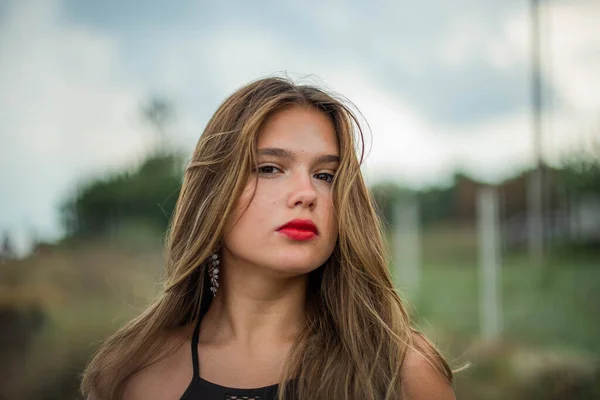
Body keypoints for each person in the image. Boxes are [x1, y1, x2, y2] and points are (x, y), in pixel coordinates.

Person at [81, 76, 456, 400]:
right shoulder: (136, 373)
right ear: (213, 193)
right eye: (270, 168)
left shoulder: (400, 373)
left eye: (325, 175)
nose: (305, 193)